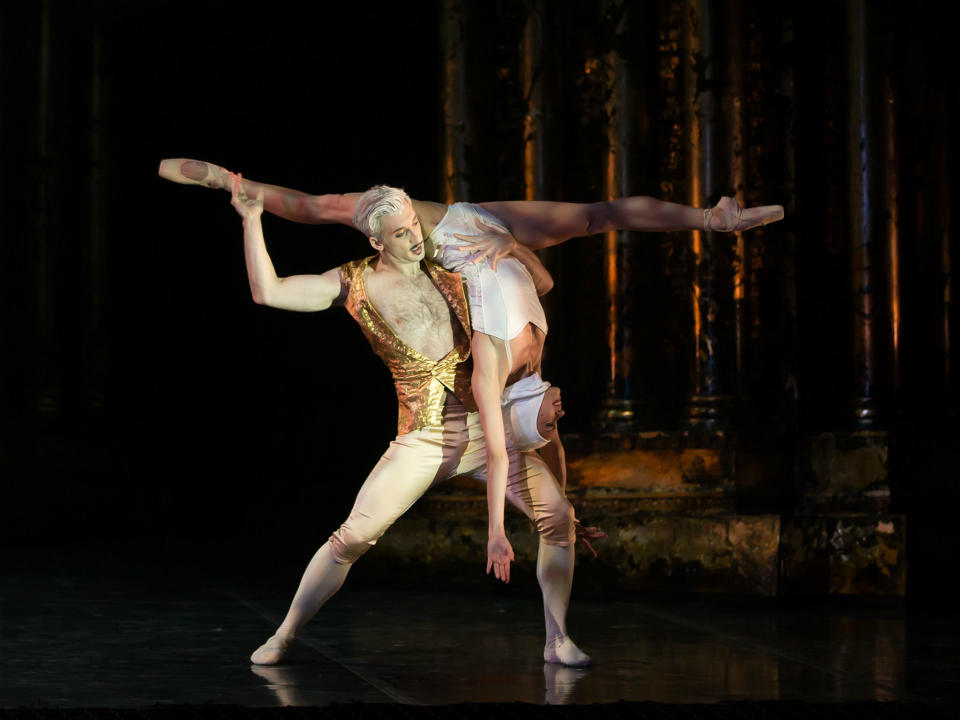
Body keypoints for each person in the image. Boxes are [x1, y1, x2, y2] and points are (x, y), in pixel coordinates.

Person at [224, 175, 593, 667]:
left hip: (486, 429)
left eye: (414, 226)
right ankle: (286, 633)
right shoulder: (354, 283)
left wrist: (513, 248)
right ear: (377, 241)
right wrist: (252, 222)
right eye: (401, 234)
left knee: (559, 518)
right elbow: (268, 292)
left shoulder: (453, 272)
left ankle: (557, 639)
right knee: (352, 537)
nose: (417, 237)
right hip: (423, 438)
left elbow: (541, 285)